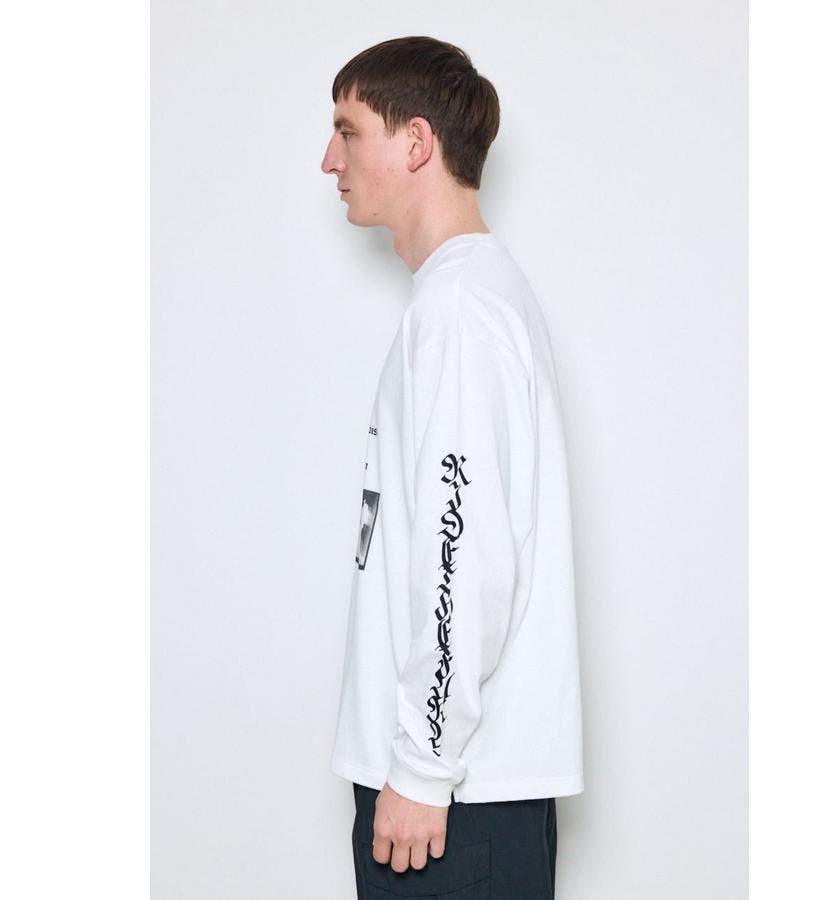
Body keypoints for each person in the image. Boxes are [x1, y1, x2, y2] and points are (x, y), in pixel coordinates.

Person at [321, 36, 585, 899]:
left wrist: (422, 768)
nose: (330, 161)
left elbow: (462, 555)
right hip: (468, 799)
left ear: (416, 142)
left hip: (451, 804)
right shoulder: (468, 297)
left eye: (348, 131)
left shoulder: (460, 312)